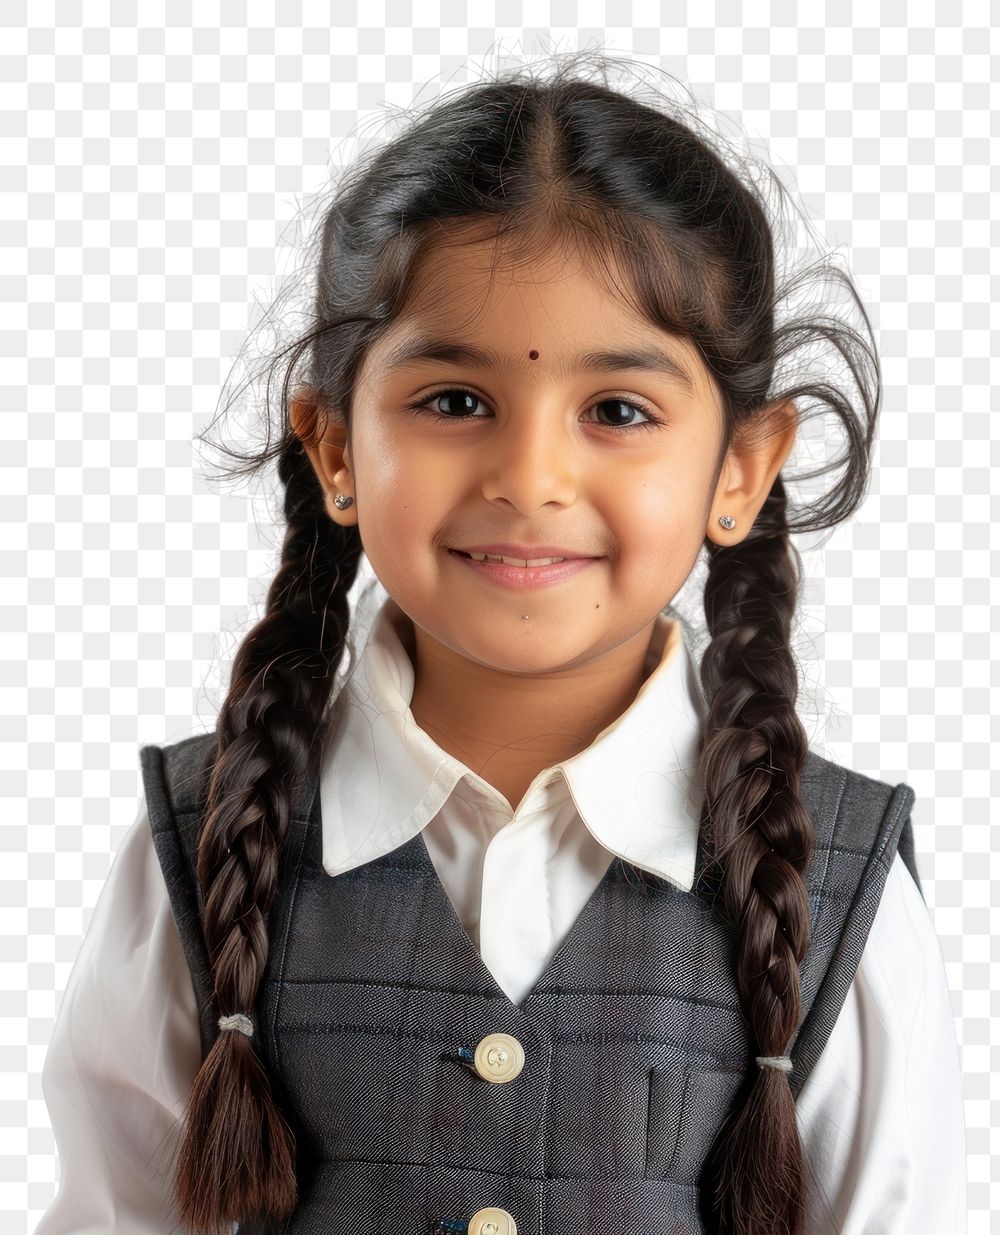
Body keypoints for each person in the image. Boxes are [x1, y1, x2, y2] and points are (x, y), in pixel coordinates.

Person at [36, 52, 967, 1235]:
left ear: (740, 467)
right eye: (453, 401)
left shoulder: (839, 887)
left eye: (617, 412)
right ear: (330, 446)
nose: (530, 479)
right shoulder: (202, 850)